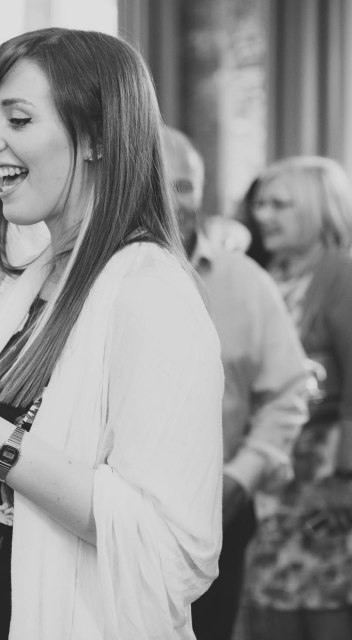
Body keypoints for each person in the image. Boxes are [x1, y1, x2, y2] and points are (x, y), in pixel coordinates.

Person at [0, 28, 224, 639]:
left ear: (96, 137)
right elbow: (29, 454)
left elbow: (175, 549)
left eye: (18, 118)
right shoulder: (39, 283)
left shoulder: (149, 291)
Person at [161, 126, 310, 640]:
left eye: (184, 186)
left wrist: (243, 477)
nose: (173, 200)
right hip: (106, 514)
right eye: (159, 182)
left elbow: (289, 389)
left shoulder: (247, 283)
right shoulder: (95, 280)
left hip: (221, 511)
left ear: (202, 190)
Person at [244, 156, 352, 640]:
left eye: (280, 205)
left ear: (317, 208)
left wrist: (344, 482)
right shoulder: (268, 273)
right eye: (261, 204)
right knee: (272, 601)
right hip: (273, 468)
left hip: (325, 472)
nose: (263, 215)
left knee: (323, 601)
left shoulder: (342, 275)